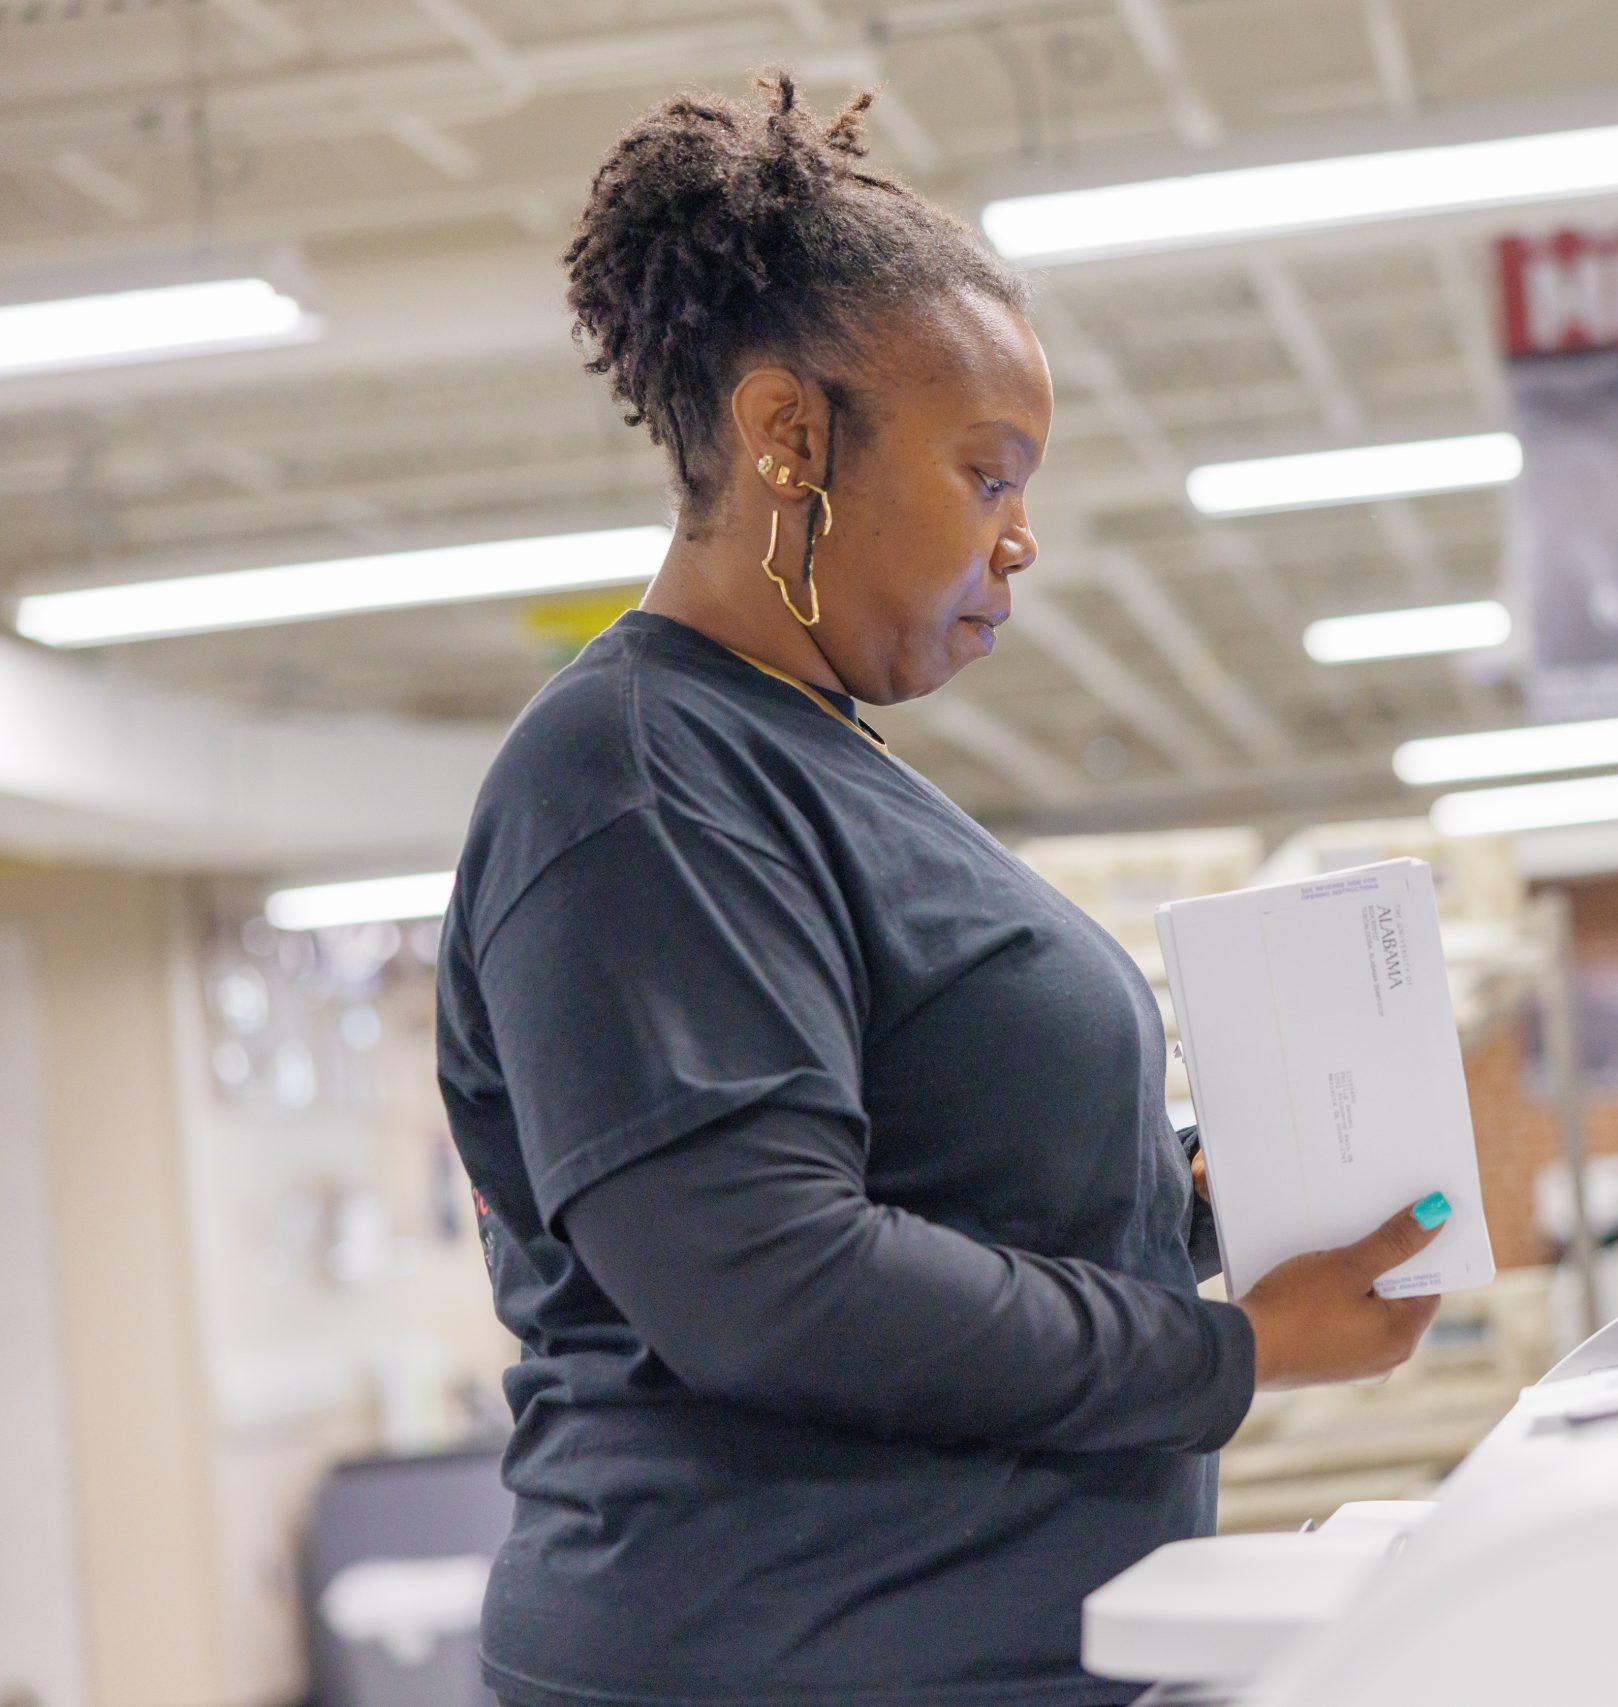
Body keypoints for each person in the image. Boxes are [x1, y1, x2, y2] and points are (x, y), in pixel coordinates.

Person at [434, 73, 1455, 1707]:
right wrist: (1238, 1350)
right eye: (991, 474)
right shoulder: (633, 779)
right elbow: (773, 1286)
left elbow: (955, 1183)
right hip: (779, 1662)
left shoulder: (809, 757)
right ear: (789, 437)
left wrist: (1209, 1199)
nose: (1023, 540)